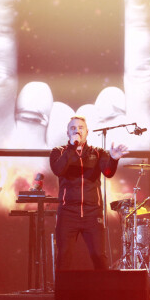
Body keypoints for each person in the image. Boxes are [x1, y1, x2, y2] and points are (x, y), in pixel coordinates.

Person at [50, 116, 129, 270]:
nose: (77, 130)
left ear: (87, 132)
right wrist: (72, 148)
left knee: (99, 255)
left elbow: (108, 172)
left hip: (92, 212)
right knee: (64, 255)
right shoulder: (58, 152)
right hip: (68, 212)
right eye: (73, 128)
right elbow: (58, 170)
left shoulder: (98, 152)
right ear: (68, 133)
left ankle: (104, 293)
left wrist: (113, 159)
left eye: (80, 127)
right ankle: (62, 293)